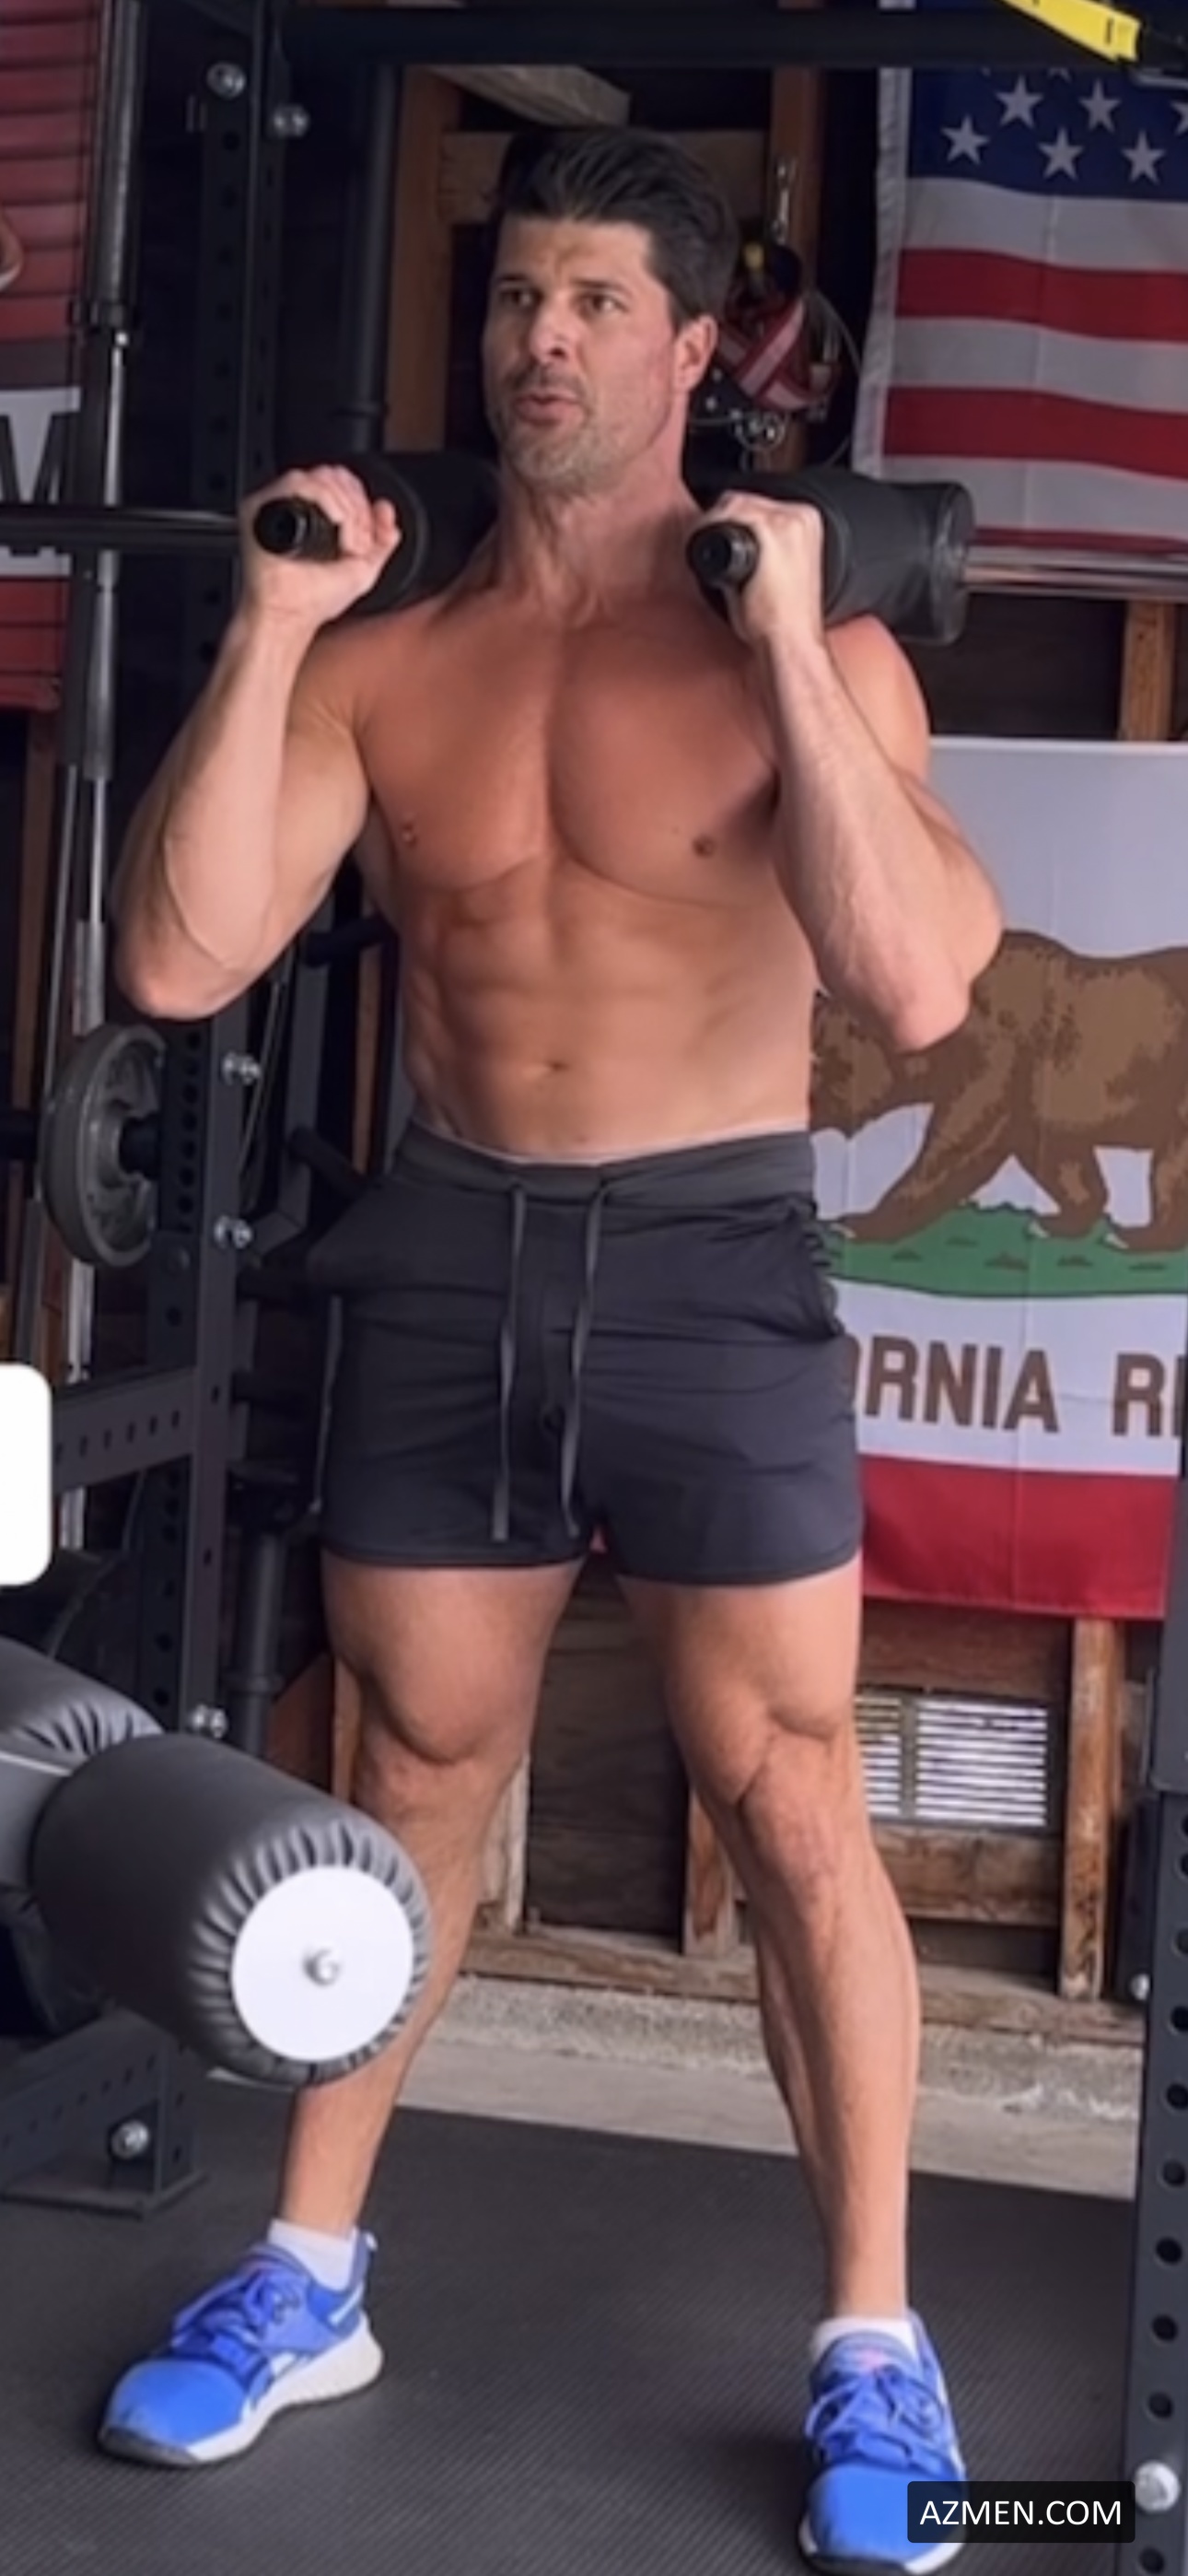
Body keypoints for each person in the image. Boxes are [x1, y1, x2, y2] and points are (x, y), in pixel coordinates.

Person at [99, 126, 1002, 2575]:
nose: (544, 341)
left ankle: (873, 2338)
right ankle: (307, 2274)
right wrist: (274, 626)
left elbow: (918, 985)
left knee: (787, 1795)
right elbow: (175, 959)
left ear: (694, 347)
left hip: (713, 1258)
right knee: (410, 1770)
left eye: (599, 301)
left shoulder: (823, 655)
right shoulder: (391, 662)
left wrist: (789, 641)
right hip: (449, 1246)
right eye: (518, 296)